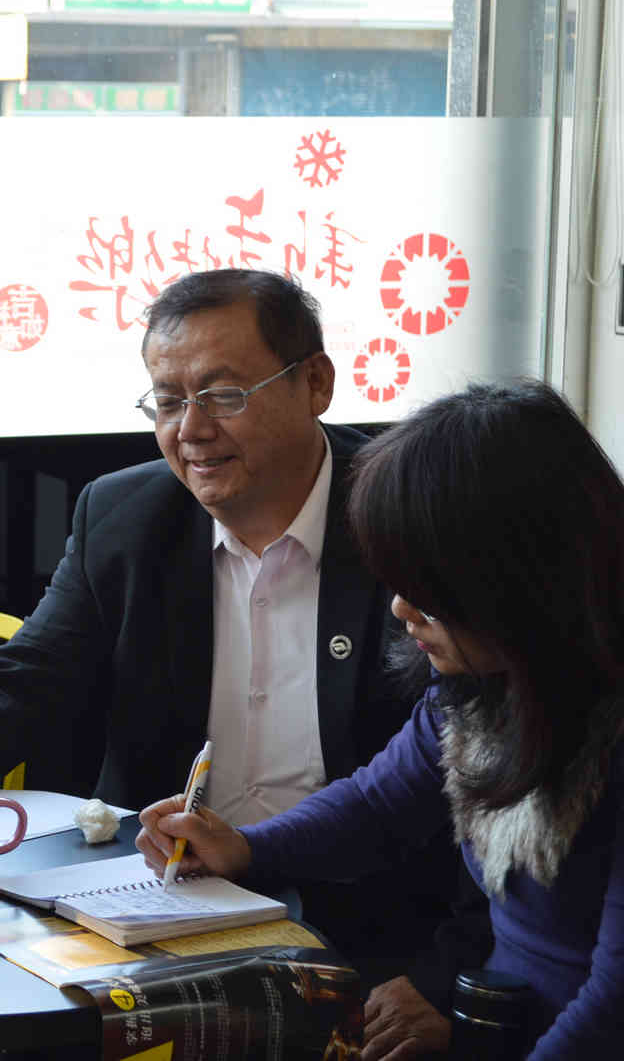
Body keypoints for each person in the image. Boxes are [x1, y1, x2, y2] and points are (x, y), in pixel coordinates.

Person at [0, 268, 481, 1023]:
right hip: (158, 908)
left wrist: (444, 977)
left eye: (223, 394)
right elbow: (26, 674)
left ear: (315, 382)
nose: (191, 429)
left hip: (374, 928)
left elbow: (490, 768)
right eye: (169, 400)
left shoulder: (401, 517)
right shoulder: (128, 516)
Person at [137, 379, 624, 1059]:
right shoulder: (481, 688)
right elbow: (377, 805)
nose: (400, 607)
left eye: (425, 583)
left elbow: (612, 1003)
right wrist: (246, 849)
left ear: (521, 573)